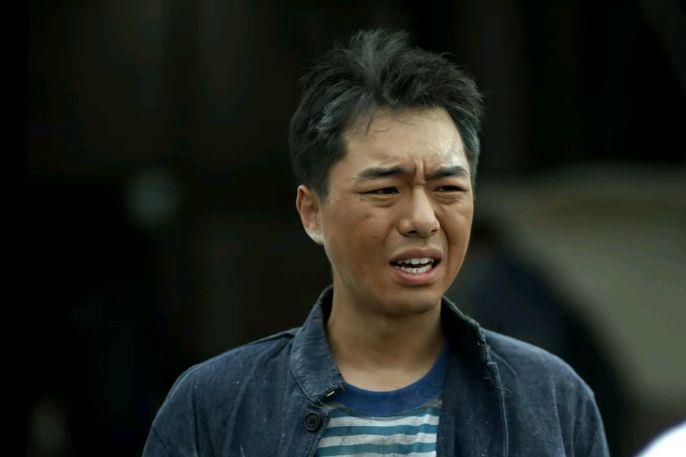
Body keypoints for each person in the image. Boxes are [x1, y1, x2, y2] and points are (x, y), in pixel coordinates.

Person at [142, 29, 609, 456]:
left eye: (447, 188)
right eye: (385, 190)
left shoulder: (552, 399)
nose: (422, 220)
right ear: (312, 212)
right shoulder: (213, 407)